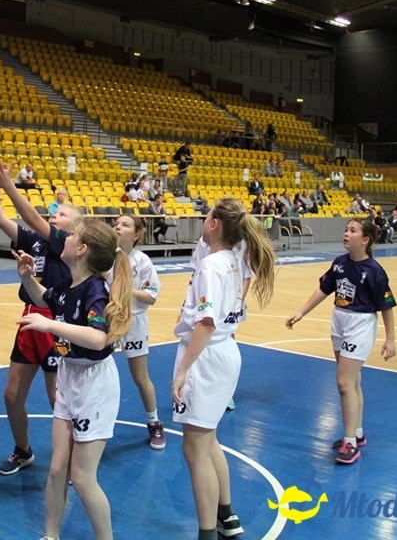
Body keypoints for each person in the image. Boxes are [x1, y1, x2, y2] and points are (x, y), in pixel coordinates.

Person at [14, 218, 133, 540]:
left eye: (71, 235)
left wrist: (49, 326)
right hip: (70, 376)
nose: (63, 238)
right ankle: (50, 536)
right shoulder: (69, 283)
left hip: (94, 384)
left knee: (82, 477)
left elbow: (97, 338)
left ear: (81, 250)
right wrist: (27, 278)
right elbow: (44, 299)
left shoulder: (96, 289)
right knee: (56, 471)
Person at [0, 157, 81, 476]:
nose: (55, 215)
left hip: (58, 325)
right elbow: (1, 218)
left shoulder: (68, 246)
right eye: (54, 212)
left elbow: (26, 213)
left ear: (75, 227)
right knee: (11, 395)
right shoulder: (35, 241)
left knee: (58, 400)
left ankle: (69, 460)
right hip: (30, 319)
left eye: (62, 213)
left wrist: (5, 183)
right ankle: (23, 450)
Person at [172, 198, 277, 540]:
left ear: (215, 224)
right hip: (225, 352)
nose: (203, 221)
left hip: (206, 356)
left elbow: (205, 323)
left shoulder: (212, 264)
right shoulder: (233, 259)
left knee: (194, 450)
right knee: (209, 439)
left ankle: (206, 533)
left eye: (207, 216)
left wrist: (183, 370)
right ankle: (226, 515)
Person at [285, 218, 397, 465]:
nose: (346, 234)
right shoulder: (339, 264)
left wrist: (390, 338)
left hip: (360, 324)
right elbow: (324, 290)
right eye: (346, 229)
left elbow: (386, 306)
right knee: (353, 382)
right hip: (339, 322)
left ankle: (349, 443)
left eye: (353, 231)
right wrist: (301, 312)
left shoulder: (375, 271)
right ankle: (357, 432)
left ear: (365, 240)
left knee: (344, 383)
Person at [109, 214, 165, 449]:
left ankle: (154, 423)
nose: (118, 227)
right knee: (99, 372)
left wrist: (127, 290)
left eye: (125, 224)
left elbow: (151, 296)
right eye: (116, 223)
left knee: (140, 377)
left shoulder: (142, 261)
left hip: (134, 323)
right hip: (108, 320)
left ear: (137, 235)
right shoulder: (105, 256)